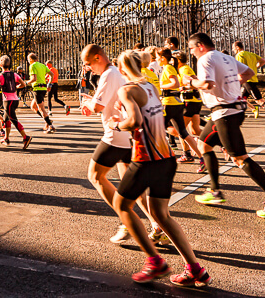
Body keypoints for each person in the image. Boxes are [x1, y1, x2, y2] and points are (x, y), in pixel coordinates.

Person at [110, 50, 211, 287]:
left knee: (121, 204)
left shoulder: (127, 90)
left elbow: (134, 121)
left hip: (146, 159)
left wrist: (117, 123)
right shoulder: (151, 87)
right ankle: (195, 269)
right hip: (167, 158)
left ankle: (155, 261)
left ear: (123, 69)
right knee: (161, 214)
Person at [185, 33, 265, 218]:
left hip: (225, 113)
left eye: (192, 48)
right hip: (230, 110)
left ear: (200, 46)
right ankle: (214, 191)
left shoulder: (204, 60)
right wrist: (233, 84)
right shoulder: (226, 57)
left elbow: (207, 84)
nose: (191, 53)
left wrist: (190, 81)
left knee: (240, 158)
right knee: (203, 145)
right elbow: (249, 72)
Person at [80, 44, 158, 245]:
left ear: (98, 57)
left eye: (88, 63)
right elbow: (102, 103)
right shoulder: (113, 73)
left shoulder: (108, 74)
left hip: (116, 135)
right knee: (131, 188)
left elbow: (98, 106)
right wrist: (93, 102)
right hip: (127, 136)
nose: (88, 68)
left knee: (95, 176)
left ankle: (127, 221)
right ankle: (158, 227)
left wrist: (88, 103)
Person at [157, 48, 203, 165]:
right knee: (186, 131)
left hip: (173, 102)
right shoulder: (172, 68)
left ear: (162, 58)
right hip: (178, 102)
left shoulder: (170, 68)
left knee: (158, 130)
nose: (156, 59)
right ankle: (202, 157)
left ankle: (162, 159)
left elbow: (176, 83)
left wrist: (161, 85)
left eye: (157, 57)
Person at [233, 42, 265, 129]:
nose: (233, 50)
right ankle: (236, 121)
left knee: (259, 101)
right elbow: (263, 61)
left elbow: (240, 69)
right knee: (241, 99)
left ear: (237, 47)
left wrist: (238, 80)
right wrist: (255, 67)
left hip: (248, 81)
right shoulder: (251, 54)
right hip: (252, 79)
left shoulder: (239, 55)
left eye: (233, 48)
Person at [173, 51, 206, 172]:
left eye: (173, 60)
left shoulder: (184, 69)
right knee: (194, 130)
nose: (172, 62)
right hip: (194, 102)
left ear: (178, 60)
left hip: (189, 101)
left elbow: (195, 83)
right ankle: (217, 139)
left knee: (180, 130)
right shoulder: (185, 68)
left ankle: (187, 154)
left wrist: (182, 87)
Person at [0, 56, 32, 149]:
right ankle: (6, 138)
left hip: (7, 100)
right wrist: (16, 87)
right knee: (6, 119)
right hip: (15, 99)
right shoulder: (15, 75)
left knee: (13, 119)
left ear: (1, 65)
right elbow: (23, 84)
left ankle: (26, 137)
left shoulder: (0, 76)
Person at [27, 53, 55, 133]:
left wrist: (25, 83)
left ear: (31, 59)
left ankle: (50, 126)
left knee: (41, 109)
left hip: (37, 89)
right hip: (43, 88)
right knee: (33, 106)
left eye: (28, 60)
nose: (28, 62)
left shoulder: (32, 66)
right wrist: (50, 84)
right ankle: (47, 120)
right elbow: (52, 75)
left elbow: (34, 79)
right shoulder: (42, 65)